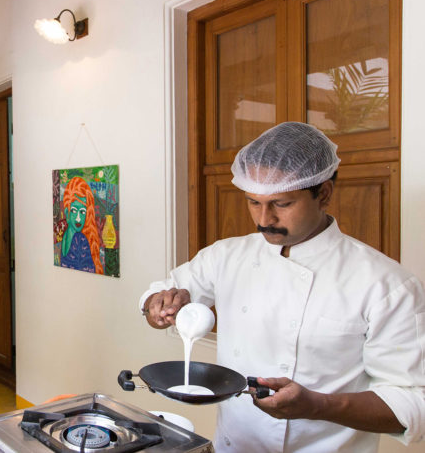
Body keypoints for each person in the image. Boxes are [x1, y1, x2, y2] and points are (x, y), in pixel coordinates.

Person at [139, 122, 425, 453]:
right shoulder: (227, 255)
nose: (264, 218)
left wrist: (318, 406)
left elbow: (413, 402)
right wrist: (159, 306)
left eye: (282, 204)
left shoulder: (386, 284)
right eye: (253, 202)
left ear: (324, 194)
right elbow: (155, 298)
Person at [61, 176, 103, 274]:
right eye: (74, 211)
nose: (78, 218)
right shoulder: (79, 238)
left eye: (83, 212)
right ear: (67, 212)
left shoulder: (68, 236)